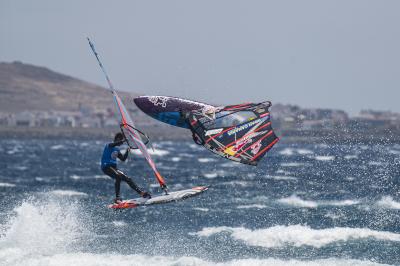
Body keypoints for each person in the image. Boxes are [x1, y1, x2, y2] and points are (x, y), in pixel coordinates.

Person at [101, 132, 151, 203]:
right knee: (118, 176)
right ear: (118, 139)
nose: (121, 144)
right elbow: (113, 144)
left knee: (128, 179)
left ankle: (141, 193)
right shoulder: (108, 145)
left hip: (114, 168)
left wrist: (127, 151)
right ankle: (117, 198)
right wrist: (122, 141)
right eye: (121, 142)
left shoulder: (117, 150)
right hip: (106, 167)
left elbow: (123, 159)